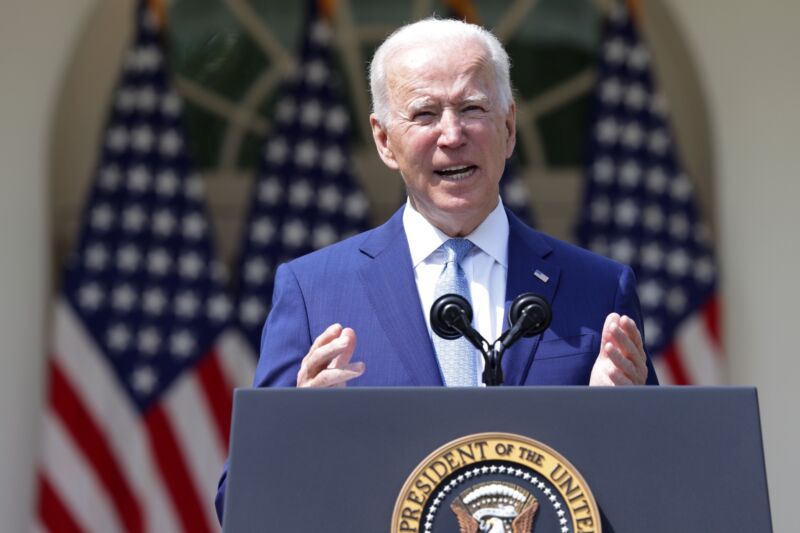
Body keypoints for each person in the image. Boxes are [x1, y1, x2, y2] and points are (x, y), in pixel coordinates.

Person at [217, 17, 657, 522]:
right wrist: (297, 429)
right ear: (384, 141)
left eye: (472, 109)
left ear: (509, 128)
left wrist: (623, 420)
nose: (452, 135)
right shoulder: (315, 292)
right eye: (424, 115)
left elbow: (661, 490)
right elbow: (239, 507)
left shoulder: (598, 289)